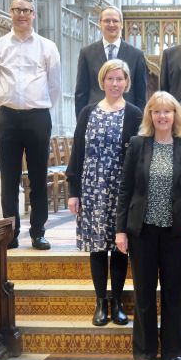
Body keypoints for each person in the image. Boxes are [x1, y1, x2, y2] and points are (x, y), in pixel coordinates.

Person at [116, 92, 181, 360]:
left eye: (167, 111)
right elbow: (125, 190)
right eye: (156, 112)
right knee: (143, 293)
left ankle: (173, 349)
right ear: (149, 116)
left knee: (172, 294)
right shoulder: (138, 145)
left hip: (175, 233)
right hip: (142, 231)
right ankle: (144, 350)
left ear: (176, 115)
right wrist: (120, 231)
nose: (162, 116)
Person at [66, 60, 143, 327]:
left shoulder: (134, 113)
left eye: (120, 79)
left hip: (121, 191)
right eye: (110, 78)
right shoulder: (88, 112)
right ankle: (101, 302)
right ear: (102, 81)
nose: (114, 83)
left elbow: (140, 156)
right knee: (98, 248)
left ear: (126, 82)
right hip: (93, 188)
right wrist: (74, 191)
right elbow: (78, 153)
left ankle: (118, 302)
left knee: (121, 247)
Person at [0, 0, 61, 250]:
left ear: (33, 14)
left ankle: (38, 232)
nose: (21, 14)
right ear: (10, 12)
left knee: (39, 177)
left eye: (26, 10)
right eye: (17, 9)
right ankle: (11, 232)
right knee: (9, 178)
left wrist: (37, 107)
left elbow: (54, 86)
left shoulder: (47, 46)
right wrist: (6, 107)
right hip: (8, 116)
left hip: (37, 117)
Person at [74, 6, 148, 117]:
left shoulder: (136, 55)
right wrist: (81, 121)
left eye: (115, 21)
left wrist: (139, 123)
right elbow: (81, 92)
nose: (111, 24)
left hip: (127, 116)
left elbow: (140, 95)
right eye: (107, 21)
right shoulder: (87, 53)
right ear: (100, 23)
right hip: (95, 115)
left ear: (122, 24)